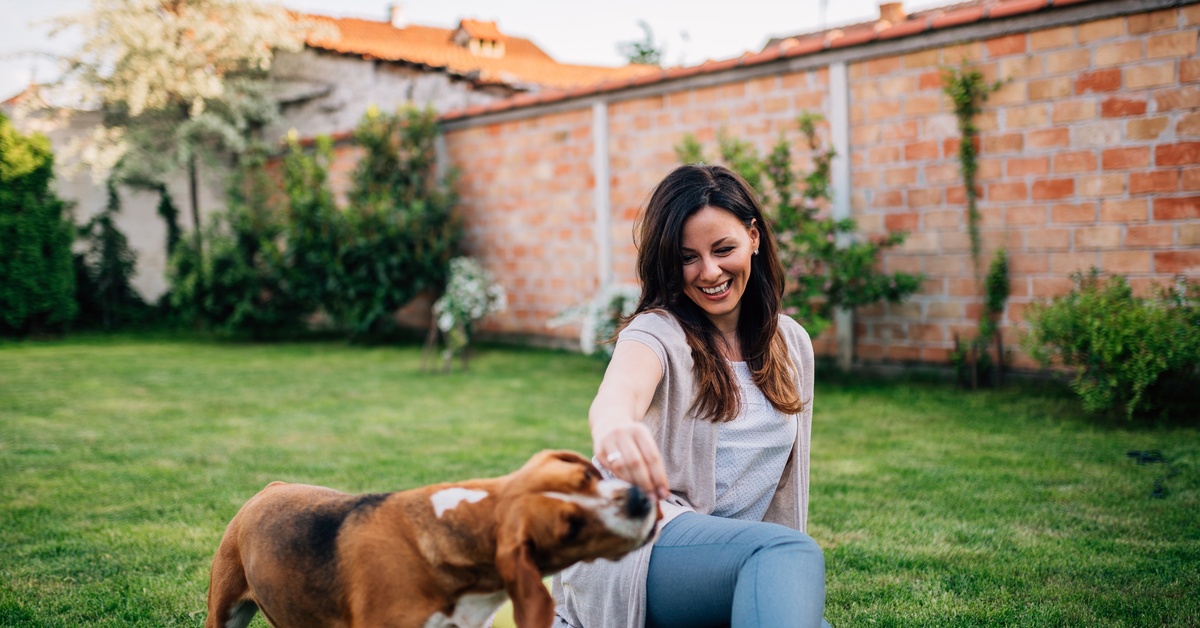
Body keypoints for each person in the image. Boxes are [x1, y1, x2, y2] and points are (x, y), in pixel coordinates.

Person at [552, 164, 827, 627]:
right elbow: (618, 393)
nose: (709, 271)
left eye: (724, 249)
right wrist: (615, 427)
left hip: (729, 560)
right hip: (631, 546)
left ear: (754, 238)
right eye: (687, 257)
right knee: (785, 552)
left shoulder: (792, 343)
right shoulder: (656, 333)